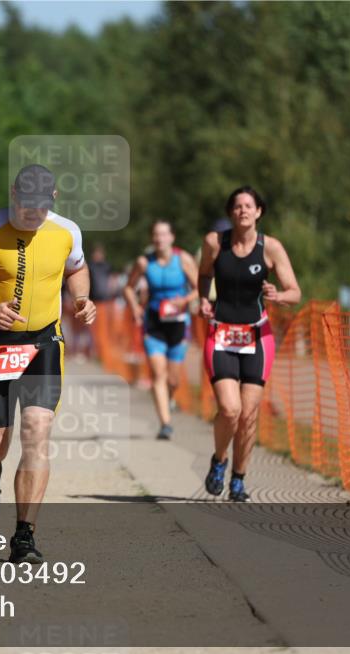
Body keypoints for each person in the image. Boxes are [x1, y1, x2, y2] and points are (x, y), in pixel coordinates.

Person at [0, 164, 95, 564]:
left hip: (44, 343)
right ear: (13, 194)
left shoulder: (67, 231)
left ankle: (24, 536)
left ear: (53, 199)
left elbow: (77, 268)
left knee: (37, 431)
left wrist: (81, 299)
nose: (32, 213)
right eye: (25, 204)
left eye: (40, 206)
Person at [198, 186, 301, 501]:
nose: (243, 210)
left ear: (258, 212)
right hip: (221, 334)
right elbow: (203, 274)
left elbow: (295, 292)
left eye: (249, 206)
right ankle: (219, 461)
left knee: (249, 414)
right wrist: (203, 299)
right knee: (230, 410)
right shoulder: (215, 243)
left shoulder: (271, 248)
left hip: (257, 336)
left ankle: (239, 478)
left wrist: (278, 296)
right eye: (237, 206)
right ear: (231, 213)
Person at [123, 220, 199, 440]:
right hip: (153, 323)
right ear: (152, 238)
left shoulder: (183, 259)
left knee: (173, 379)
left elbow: (199, 289)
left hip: (178, 324)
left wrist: (184, 300)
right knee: (158, 374)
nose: (159, 239)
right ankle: (165, 424)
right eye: (156, 235)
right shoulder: (144, 262)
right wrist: (136, 307)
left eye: (164, 235)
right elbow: (128, 288)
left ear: (171, 237)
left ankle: (170, 397)